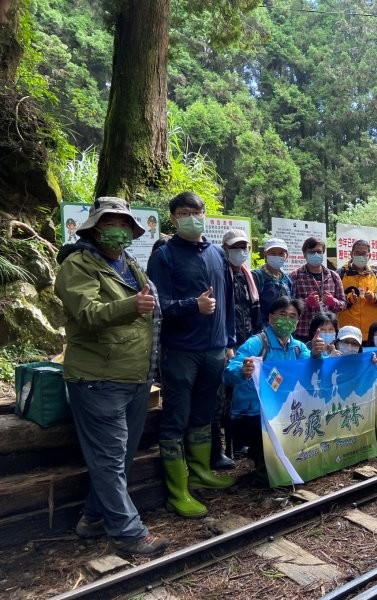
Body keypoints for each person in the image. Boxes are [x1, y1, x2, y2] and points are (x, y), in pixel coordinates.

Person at [55, 197, 169, 556]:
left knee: (117, 458)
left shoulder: (130, 264)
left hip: (135, 376)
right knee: (109, 457)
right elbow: (86, 313)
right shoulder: (78, 265)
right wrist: (130, 306)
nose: (118, 229)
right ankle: (128, 532)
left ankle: (93, 518)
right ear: (95, 227)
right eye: (110, 222)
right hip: (98, 377)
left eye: (124, 223)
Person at [147, 191, 236, 519]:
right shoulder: (164, 256)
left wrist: (230, 340)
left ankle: (200, 471)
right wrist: (192, 306)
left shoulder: (216, 254)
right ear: (174, 217)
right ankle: (177, 490)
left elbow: (226, 301)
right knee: (176, 417)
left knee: (204, 412)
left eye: (198, 212)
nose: (193, 217)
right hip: (180, 351)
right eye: (185, 212)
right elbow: (159, 305)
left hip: (213, 350)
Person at [224, 297, 324, 484]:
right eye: (282, 315)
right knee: (270, 471)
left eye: (292, 316)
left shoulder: (297, 348)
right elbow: (228, 373)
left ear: (297, 322)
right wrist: (243, 371)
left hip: (284, 411)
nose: (287, 320)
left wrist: (317, 355)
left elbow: (310, 369)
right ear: (271, 319)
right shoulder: (257, 343)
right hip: (252, 413)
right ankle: (263, 466)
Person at [213, 228, 262, 469]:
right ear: (224, 248)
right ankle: (221, 449)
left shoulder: (246, 276)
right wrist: (226, 344)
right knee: (222, 396)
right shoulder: (219, 274)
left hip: (246, 342)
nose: (240, 252)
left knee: (243, 392)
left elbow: (253, 311)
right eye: (235, 247)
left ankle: (240, 442)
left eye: (244, 247)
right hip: (224, 344)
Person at [290, 236, 346, 341]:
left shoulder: (334, 276)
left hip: (328, 333)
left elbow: (343, 303)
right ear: (304, 255)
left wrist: (334, 302)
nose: (316, 255)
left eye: (319, 252)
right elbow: (289, 305)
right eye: (311, 252)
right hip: (303, 333)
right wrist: (305, 303)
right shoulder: (295, 276)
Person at [338, 239, 377, 340]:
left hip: (371, 330)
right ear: (351, 254)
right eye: (357, 253)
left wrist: (374, 297)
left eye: (364, 253)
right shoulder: (340, 273)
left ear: (369, 255)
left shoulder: (375, 274)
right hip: (348, 331)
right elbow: (335, 298)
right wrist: (348, 299)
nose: (360, 256)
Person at [252, 238, 293, 323]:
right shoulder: (257, 277)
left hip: (283, 328)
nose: (277, 256)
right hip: (262, 330)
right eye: (273, 253)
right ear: (265, 254)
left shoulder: (287, 279)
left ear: (286, 256)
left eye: (281, 254)